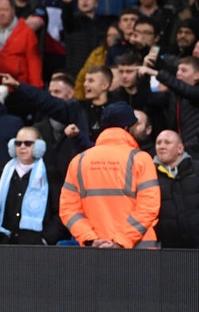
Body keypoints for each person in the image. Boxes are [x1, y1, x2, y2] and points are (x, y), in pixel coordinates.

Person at [60, 102, 160, 248]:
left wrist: (91, 239)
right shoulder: (141, 159)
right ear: (128, 128)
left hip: (95, 251)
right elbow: (149, 207)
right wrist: (120, 241)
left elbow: (69, 210)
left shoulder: (79, 161)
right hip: (139, 253)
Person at [0, 127, 69, 245]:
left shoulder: (50, 175)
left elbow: (61, 211)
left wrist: (46, 238)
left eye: (28, 143)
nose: (22, 147)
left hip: (35, 246)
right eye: (18, 143)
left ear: (39, 146)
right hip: (4, 243)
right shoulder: (2, 172)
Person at [153, 130, 199, 248]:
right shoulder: (150, 174)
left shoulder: (196, 169)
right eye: (159, 143)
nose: (162, 146)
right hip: (167, 248)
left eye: (167, 142)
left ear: (180, 149)